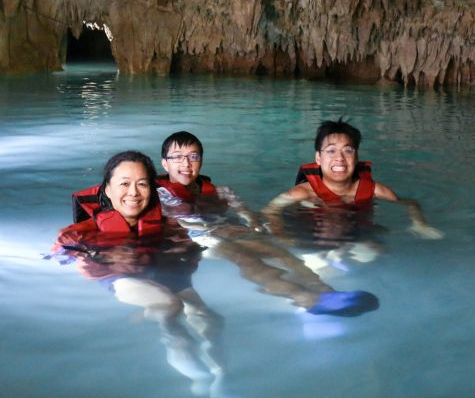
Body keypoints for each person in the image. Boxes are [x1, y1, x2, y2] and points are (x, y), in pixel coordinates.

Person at [154, 131, 379, 317]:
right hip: (197, 238)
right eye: (177, 157)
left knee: (280, 253)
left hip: (227, 229)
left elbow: (240, 207)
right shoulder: (161, 194)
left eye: (193, 156)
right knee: (245, 258)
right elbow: (175, 221)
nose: (186, 163)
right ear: (165, 163)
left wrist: (252, 222)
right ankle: (304, 297)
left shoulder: (219, 190)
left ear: (201, 160)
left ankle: (326, 291)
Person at [55, 151, 224, 397]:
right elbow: (61, 259)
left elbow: (191, 250)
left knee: (210, 318)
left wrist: (188, 248)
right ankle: (198, 382)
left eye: (142, 184)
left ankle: (221, 376)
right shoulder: (80, 233)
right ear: (108, 190)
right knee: (170, 305)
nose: (133, 192)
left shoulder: (166, 225)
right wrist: (102, 258)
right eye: (124, 184)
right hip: (118, 277)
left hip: (157, 270)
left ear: (152, 190)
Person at [263, 119, 444, 240]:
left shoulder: (375, 190)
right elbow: (270, 210)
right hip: (313, 233)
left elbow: (410, 203)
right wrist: (282, 237)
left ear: (356, 157)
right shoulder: (303, 192)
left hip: (356, 231)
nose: (340, 158)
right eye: (331, 151)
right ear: (318, 158)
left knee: (376, 248)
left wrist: (419, 224)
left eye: (348, 150)